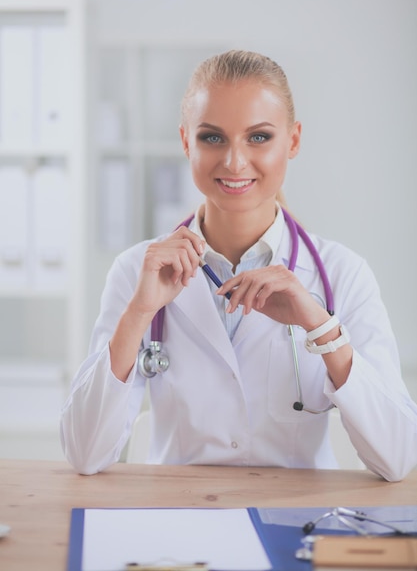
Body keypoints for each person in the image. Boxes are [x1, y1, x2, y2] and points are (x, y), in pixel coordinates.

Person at [60, 50, 417, 480]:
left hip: (298, 524)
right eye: (212, 137)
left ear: (294, 140)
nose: (233, 161)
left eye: (259, 137)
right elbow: (85, 454)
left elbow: (397, 459)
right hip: (178, 524)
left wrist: (320, 327)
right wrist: (139, 313)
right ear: (185, 141)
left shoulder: (343, 273)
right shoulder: (136, 270)